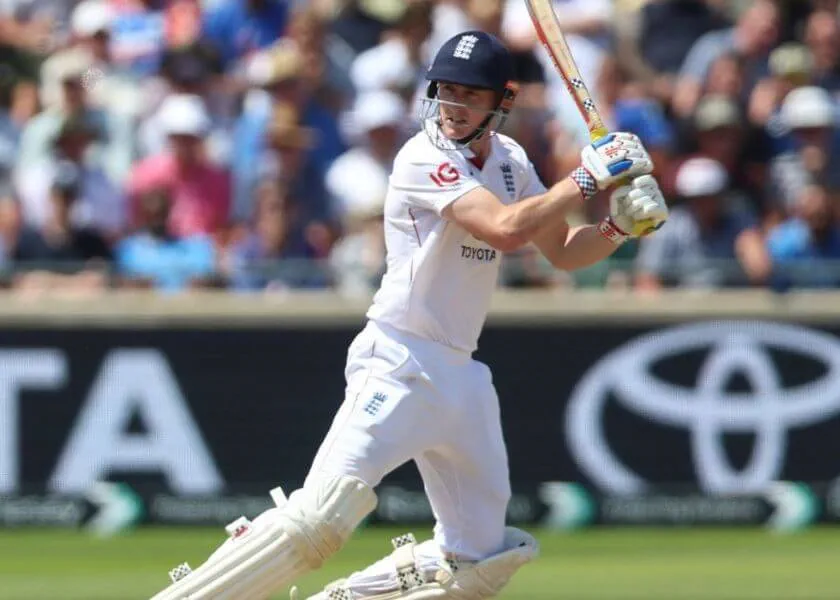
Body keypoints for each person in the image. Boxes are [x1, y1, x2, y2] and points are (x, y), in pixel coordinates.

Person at [149, 31, 668, 600]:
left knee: (479, 562)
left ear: (503, 101)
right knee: (318, 518)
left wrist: (620, 228)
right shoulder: (422, 156)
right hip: (396, 360)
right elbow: (502, 229)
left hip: (461, 377)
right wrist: (587, 177)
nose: (453, 106)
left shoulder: (513, 162)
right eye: (446, 90)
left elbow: (563, 251)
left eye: (471, 95)